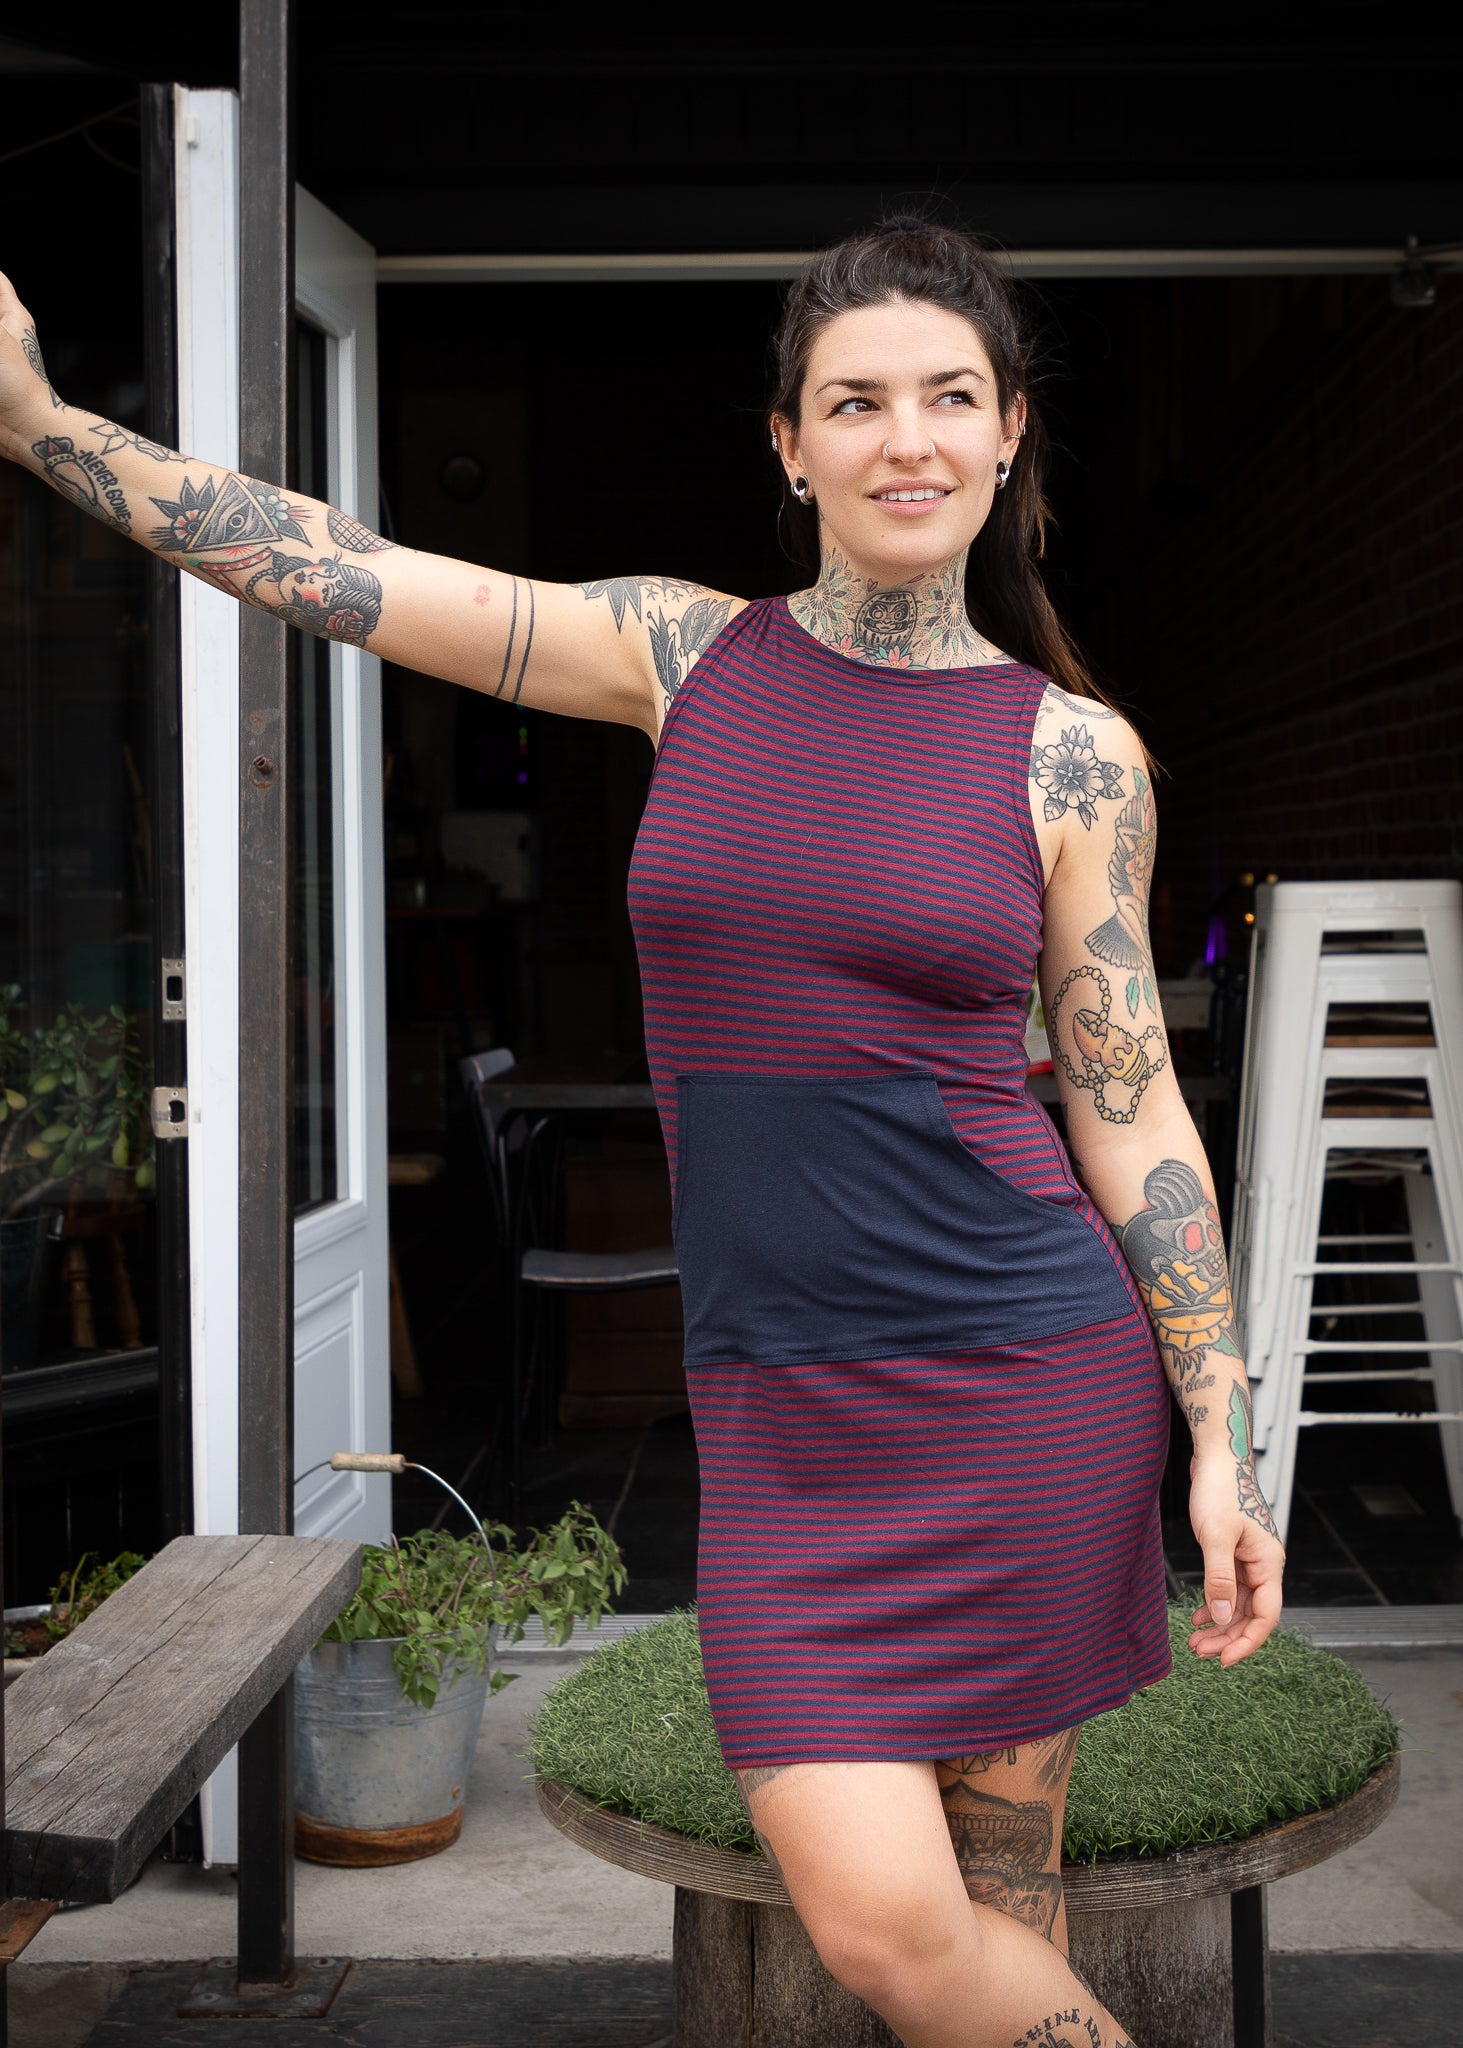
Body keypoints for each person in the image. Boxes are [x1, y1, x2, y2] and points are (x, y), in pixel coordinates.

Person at [0, 218, 1284, 2048]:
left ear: (1009, 435)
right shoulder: (684, 656)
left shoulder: (1073, 754)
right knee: (888, 1928)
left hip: (1025, 1382)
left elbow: (1128, 1099)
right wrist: (41, 424)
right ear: (791, 443)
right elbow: (343, 568)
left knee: (997, 1907)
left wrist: (1220, 1428)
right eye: (857, 402)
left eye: (949, 398)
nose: (907, 440)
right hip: (783, 1420)